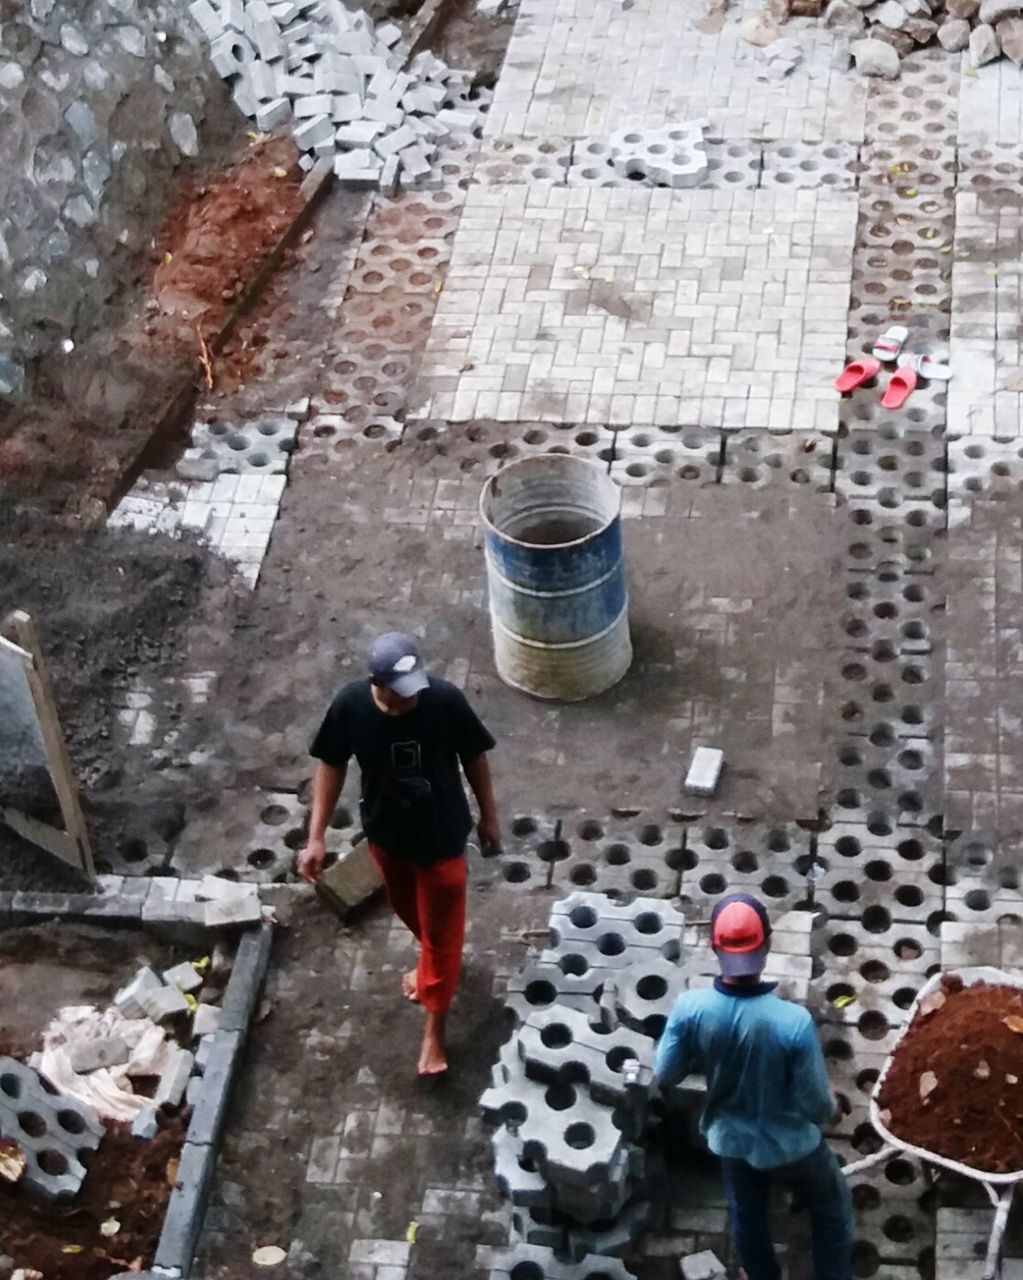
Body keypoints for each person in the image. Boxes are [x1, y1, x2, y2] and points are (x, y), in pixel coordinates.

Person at [298, 632, 501, 1078]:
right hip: (387, 839)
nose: (413, 698)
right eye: (402, 691)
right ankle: (435, 968)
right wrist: (316, 837)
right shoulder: (350, 706)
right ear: (379, 684)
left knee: (443, 935)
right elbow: (331, 763)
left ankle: (434, 1031)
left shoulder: (444, 700)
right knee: (414, 917)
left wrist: (489, 816)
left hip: (442, 842)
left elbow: (475, 758)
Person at [654, 894, 853, 1280]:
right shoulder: (793, 1022)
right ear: (767, 945)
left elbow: (665, 1073)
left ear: (715, 948)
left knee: (747, 1213)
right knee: (831, 1205)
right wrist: (833, 1106)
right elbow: (815, 1108)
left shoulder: (691, 1008)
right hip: (794, 1145)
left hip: (733, 1140)